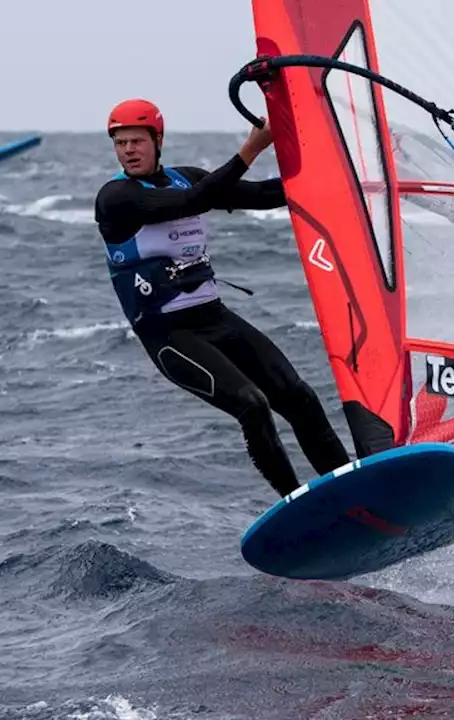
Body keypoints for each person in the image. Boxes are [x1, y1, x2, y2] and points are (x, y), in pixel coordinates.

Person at [93, 98, 351, 497]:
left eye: (136, 141)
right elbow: (192, 203)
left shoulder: (186, 178)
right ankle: (295, 502)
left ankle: (352, 487)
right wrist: (252, 147)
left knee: (298, 395)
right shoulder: (117, 197)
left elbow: (265, 195)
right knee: (253, 405)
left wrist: (340, 172)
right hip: (170, 335)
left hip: (214, 317)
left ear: (157, 140)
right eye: (120, 143)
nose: (128, 150)